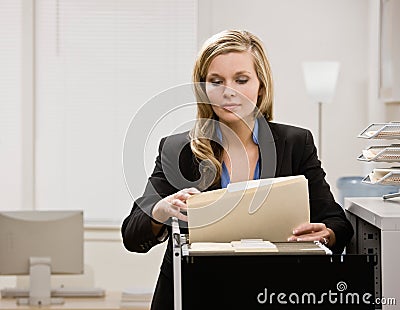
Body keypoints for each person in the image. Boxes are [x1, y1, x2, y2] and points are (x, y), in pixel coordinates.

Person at [121, 29, 354, 310]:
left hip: (272, 294)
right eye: (216, 81)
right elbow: (132, 234)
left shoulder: (296, 143)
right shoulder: (178, 149)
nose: (228, 91)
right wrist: (160, 211)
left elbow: (336, 221)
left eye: (241, 80)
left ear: (261, 86)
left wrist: (326, 234)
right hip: (193, 294)